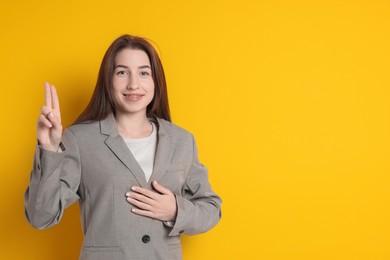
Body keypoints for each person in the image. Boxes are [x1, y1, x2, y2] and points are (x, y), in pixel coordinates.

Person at [24, 34, 222, 260]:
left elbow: (211, 209)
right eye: (122, 72)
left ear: (156, 81)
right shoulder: (80, 139)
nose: (133, 84)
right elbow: (40, 217)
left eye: (144, 73)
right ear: (108, 80)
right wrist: (49, 149)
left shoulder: (182, 140)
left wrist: (175, 210)